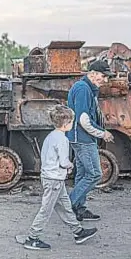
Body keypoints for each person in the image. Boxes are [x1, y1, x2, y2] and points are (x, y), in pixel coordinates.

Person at [23, 105, 98, 250]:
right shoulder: (62, 139)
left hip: (51, 177)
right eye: (72, 122)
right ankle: (32, 237)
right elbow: (63, 162)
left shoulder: (51, 136)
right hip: (54, 180)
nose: (72, 124)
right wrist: (70, 166)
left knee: (65, 207)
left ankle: (78, 232)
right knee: (46, 209)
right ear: (66, 123)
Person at [66, 60, 115, 222]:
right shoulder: (83, 89)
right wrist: (102, 133)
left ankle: (79, 209)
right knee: (94, 174)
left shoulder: (87, 88)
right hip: (83, 138)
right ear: (92, 73)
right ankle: (68, 205)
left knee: (82, 174)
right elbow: (84, 119)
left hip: (81, 137)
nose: (105, 80)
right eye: (103, 76)